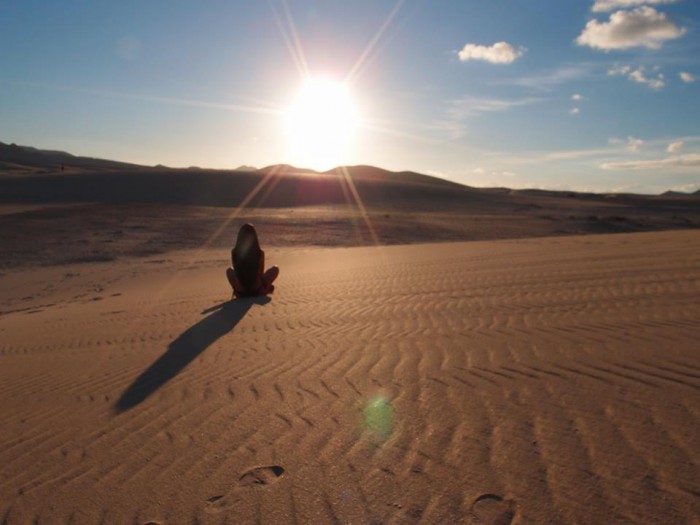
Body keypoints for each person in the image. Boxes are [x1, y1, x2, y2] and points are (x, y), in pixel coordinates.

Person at [226, 223, 279, 298]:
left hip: (240, 291)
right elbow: (260, 273)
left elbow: (237, 272)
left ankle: (238, 291)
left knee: (229, 270)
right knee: (275, 268)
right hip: (256, 290)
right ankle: (264, 289)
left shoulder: (234, 252)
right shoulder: (259, 252)